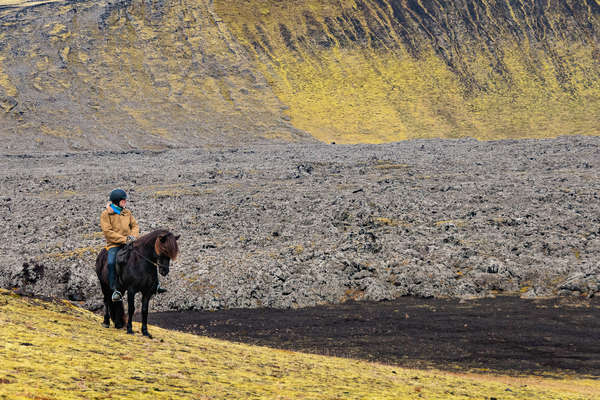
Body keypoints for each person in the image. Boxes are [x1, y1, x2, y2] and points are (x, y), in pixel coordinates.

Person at [100, 189, 168, 302]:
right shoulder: (106, 214)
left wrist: (133, 236)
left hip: (130, 242)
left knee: (148, 257)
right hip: (114, 244)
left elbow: (135, 226)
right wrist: (124, 239)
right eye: (123, 200)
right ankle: (115, 289)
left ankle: (155, 285)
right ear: (117, 201)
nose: (125, 202)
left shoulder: (127, 212)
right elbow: (108, 232)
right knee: (112, 262)